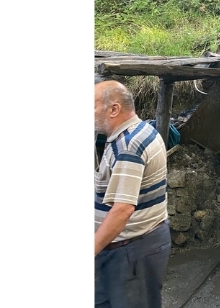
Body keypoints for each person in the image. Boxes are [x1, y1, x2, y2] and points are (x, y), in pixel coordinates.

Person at [95, 80, 171, 308]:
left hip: (131, 251)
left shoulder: (129, 146)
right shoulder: (139, 131)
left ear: (114, 109)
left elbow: (123, 209)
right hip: (128, 247)